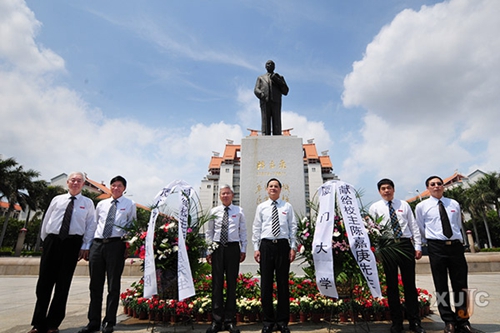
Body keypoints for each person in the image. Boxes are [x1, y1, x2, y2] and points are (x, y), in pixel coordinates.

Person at [29, 172, 96, 333]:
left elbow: (90, 225)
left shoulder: (87, 203)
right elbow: (47, 220)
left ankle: (53, 324)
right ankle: (38, 324)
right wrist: (45, 240)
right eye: (73, 180)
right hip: (53, 241)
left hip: (72, 244)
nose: (75, 183)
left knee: (63, 285)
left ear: (83, 184)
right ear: (67, 182)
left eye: (79, 181)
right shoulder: (57, 199)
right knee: (44, 284)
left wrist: (85, 246)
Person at [415, 176, 475, 333]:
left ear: (443, 186)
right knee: (441, 285)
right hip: (436, 247)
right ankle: (448, 321)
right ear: (428, 188)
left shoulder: (453, 203)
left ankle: (463, 320)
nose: (436, 186)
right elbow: (421, 227)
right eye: (432, 184)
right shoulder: (422, 206)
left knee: (461, 285)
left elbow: (456, 224)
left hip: (455, 247)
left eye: (439, 184)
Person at [79, 176, 137, 333]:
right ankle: (93, 322)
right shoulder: (102, 204)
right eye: (113, 185)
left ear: (124, 188)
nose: (116, 188)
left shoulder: (129, 204)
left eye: (119, 186)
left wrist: (128, 246)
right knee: (95, 285)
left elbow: (132, 226)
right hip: (98, 244)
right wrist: (87, 245)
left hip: (116, 245)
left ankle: (109, 321)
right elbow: (94, 224)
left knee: (113, 285)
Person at [369, 179, 425, 333]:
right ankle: (396, 323)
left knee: (410, 285)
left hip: (405, 244)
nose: (386, 191)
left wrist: (418, 246)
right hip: (387, 247)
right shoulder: (374, 208)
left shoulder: (404, 205)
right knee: (392, 285)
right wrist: (377, 252)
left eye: (389, 188)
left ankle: (415, 322)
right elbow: (372, 231)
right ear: (379, 191)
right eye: (383, 188)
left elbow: (413, 225)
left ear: (394, 189)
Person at [252, 178, 297, 333]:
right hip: (266, 246)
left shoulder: (287, 206)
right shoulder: (261, 207)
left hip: (283, 246)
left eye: (276, 186)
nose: (273, 188)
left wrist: (293, 247)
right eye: (270, 186)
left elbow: (293, 227)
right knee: (266, 284)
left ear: (280, 189)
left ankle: (283, 321)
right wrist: (256, 248)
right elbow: (256, 227)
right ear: (266, 189)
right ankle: (268, 321)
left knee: (283, 284)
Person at [205, 185, 247, 333]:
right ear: (219, 196)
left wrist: (243, 249)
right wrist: (209, 251)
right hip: (217, 248)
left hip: (233, 248)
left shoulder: (239, 211)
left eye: (228, 193)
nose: (225, 195)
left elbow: (243, 232)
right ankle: (216, 321)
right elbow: (209, 232)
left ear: (232, 195)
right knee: (217, 285)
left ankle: (229, 320)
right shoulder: (213, 212)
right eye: (223, 193)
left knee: (231, 284)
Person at [254, 60, 289, 136]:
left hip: (276, 101)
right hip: (265, 100)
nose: (269, 65)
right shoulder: (261, 78)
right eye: (268, 64)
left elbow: (285, 91)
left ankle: (277, 133)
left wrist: (277, 80)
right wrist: (261, 94)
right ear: (265, 66)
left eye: (271, 64)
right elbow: (256, 89)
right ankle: (265, 134)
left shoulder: (279, 77)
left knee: (276, 119)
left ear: (274, 66)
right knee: (265, 119)